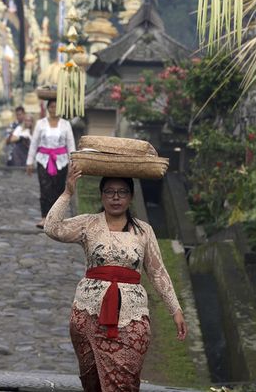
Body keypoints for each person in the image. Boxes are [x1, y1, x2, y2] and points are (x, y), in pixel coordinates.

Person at [45, 165, 187, 391]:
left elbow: (158, 272)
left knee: (125, 381)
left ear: (131, 197)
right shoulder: (88, 223)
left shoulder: (143, 231)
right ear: (102, 195)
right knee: (92, 382)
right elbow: (52, 228)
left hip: (132, 317)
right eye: (109, 192)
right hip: (89, 313)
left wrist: (175, 309)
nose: (115, 198)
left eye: (122, 192)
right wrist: (67, 193)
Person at [26, 99, 76, 229]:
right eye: (52, 107)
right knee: (45, 188)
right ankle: (44, 217)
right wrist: (29, 162)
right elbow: (34, 143)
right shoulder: (40, 124)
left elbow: (70, 144)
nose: (54, 109)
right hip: (44, 159)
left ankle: (56, 219)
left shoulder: (65, 124)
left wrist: (73, 162)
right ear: (48, 108)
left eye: (56, 107)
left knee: (59, 188)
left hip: (61, 160)